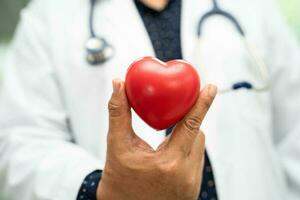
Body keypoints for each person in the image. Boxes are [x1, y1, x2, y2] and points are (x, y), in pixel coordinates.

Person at [0, 0, 300, 199]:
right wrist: (101, 189)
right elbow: (21, 143)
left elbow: (295, 131)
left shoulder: (253, 7)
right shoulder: (49, 16)